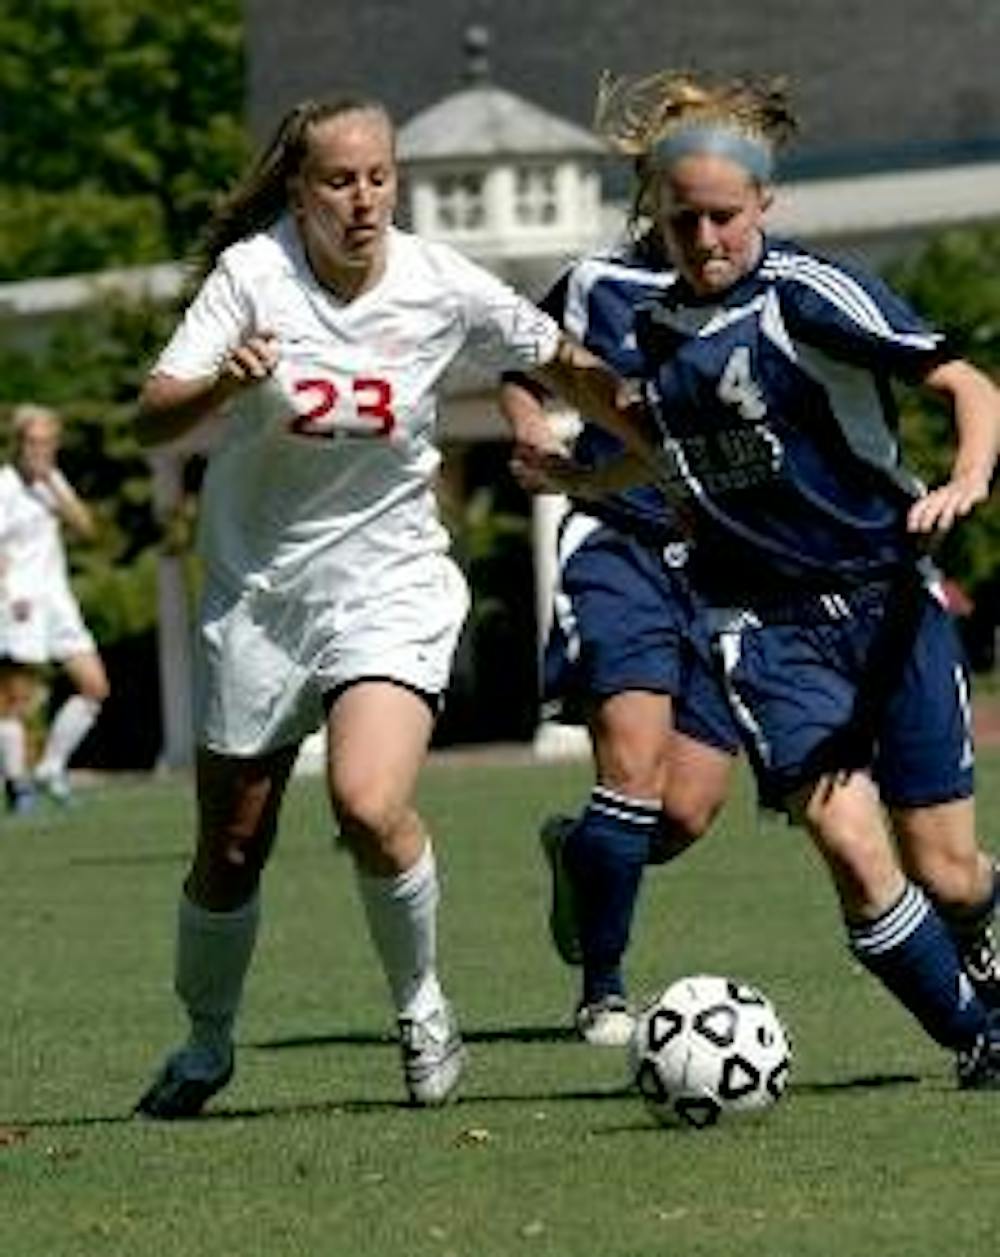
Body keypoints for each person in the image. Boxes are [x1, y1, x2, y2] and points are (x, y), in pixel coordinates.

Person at [132, 94, 642, 1117]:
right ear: (297, 189)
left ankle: (422, 1012)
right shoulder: (252, 277)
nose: (362, 200)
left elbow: (561, 363)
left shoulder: (436, 279)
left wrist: (652, 451)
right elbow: (153, 416)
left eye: (378, 177)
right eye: (337, 181)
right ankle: (206, 1042)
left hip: (390, 584)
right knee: (231, 848)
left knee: (368, 803)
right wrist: (221, 386)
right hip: (261, 595)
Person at [532, 69, 1000, 1087]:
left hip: (889, 608)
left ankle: (982, 955)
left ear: (765, 207)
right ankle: (979, 1042)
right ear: (653, 210)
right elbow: (663, 435)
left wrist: (965, 478)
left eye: (724, 219)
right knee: (843, 833)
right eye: (684, 219)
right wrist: (590, 467)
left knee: (948, 870)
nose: (704, 241)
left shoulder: (810, 293)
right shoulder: (643, 323)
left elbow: (968, 382)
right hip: (766, 624)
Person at [499, 227, 740, 1048]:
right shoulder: (596, 279)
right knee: (632, 770)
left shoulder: (768, 279)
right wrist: (532, 430)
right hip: (617, 542)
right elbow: (517, 367)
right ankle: (603, 990)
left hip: (719, 565)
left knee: (688, 810)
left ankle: (579, 854)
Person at [0, 404, 109, 812]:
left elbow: (87, 528)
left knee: (94, 686)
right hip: (19, 602)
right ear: (18, 444)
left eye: (48, 443)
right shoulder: (5, 486)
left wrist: (54, 486)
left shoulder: (52, 481)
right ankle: (17, 784)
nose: (40, 451)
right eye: (33, 443)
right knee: (14, 699)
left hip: (57, 602)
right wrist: (7, 596)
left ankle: (50, 767)